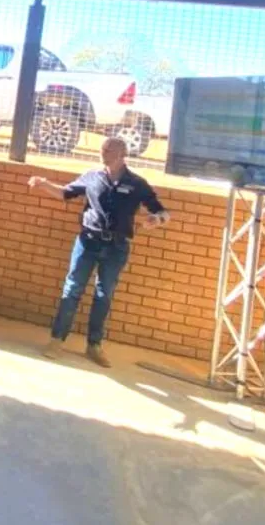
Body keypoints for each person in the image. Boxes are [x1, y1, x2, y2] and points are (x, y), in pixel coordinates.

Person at [29, 136, 170, 368]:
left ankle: (94, 346)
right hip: (88, 241)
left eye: (109, 149)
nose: (103, 153)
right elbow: (66, 193)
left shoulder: (137, 183)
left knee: (104, 295)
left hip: (116, 247)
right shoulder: (92, 177)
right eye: (103, 149)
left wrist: (157, 219)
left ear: (122, 154)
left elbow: (161, 211)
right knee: (72, 289)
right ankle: (57, 340)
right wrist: (44, 184)